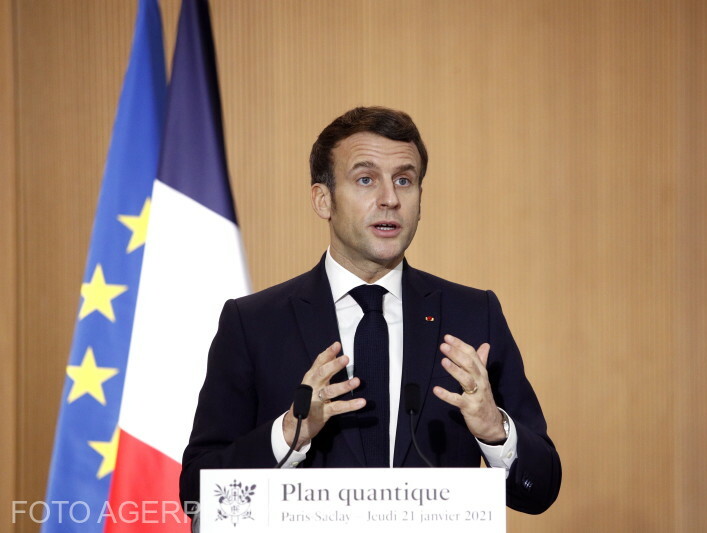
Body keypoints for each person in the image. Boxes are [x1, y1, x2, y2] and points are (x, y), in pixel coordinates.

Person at [179, 106, 561, 515]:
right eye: (366, 179)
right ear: (323, 199)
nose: (390, 199)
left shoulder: (472, 315)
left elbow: (540, 489)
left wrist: (495, 430)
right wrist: (289, 434)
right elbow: (198, 493)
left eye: (404, 180)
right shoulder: (254, 323)